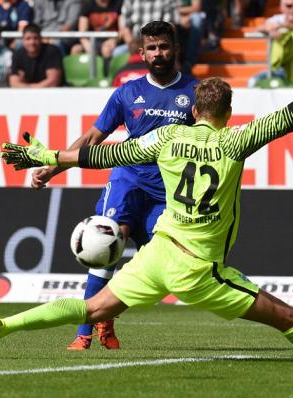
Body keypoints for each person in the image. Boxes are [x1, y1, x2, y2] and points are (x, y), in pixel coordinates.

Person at [0, 43, 293, 366]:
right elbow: (290, 116)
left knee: (89, 310)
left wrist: (45, 156)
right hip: (198, 269)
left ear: (193, 111)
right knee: (288, 318)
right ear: (228, 114)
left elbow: (103, 154)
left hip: (157, 257)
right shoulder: (237, 142)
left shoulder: (167, 138)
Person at [29, 21, 197, 350]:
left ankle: (108, 313)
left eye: (164, 47)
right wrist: (54, 166)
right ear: (141, 53)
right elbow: (93, 138)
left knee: (159, 262)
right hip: (127, 179)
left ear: (175, 50)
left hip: (168, 191)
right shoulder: (127, 92)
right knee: (106, 243)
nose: (159, 53)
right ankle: (84, 331)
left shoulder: (194, 91)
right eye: (152, 48)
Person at [254, 0, 293, 86]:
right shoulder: (276, 19)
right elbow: (259, 28)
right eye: (289, 6)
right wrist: (270, 30)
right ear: (281, 7)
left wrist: (284, 25)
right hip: (280, 71)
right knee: (253, 81)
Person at [8, 23, 63, 87]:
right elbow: (14, 83)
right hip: (26, 94)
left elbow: (53, 82)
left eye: (35, 38)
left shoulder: (52, 51)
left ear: (41, 39)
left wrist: (30, 87)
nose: (32, 42)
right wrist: (32, 89)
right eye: (28, 39)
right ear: (23, 40)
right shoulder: (17, 55)